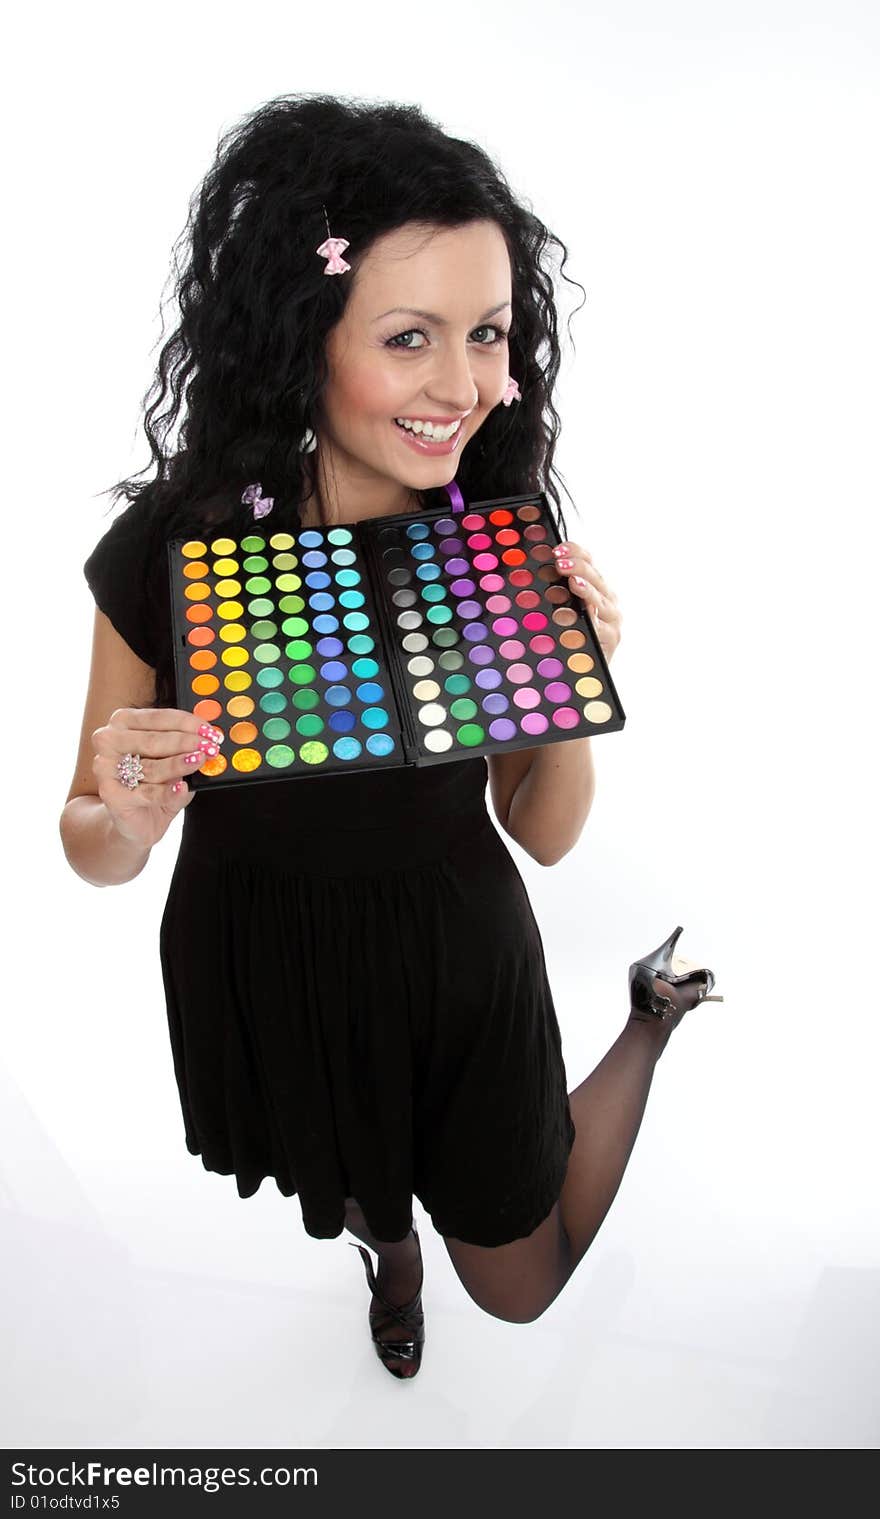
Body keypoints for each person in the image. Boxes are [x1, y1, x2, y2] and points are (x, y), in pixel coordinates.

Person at [59, 94, 721, 1380]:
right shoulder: (172, 546)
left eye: (486, 333)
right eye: (409, 338)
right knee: (357, 1188)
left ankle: (646, 1017)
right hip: (264, 950)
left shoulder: (491, 531)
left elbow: (542, 833)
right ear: (305, 333)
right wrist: (120, 813)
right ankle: (389, 1259)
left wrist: (564, 677)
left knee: (521, 1287)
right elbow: (87, 845)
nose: (464, 385)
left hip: (453, 946)